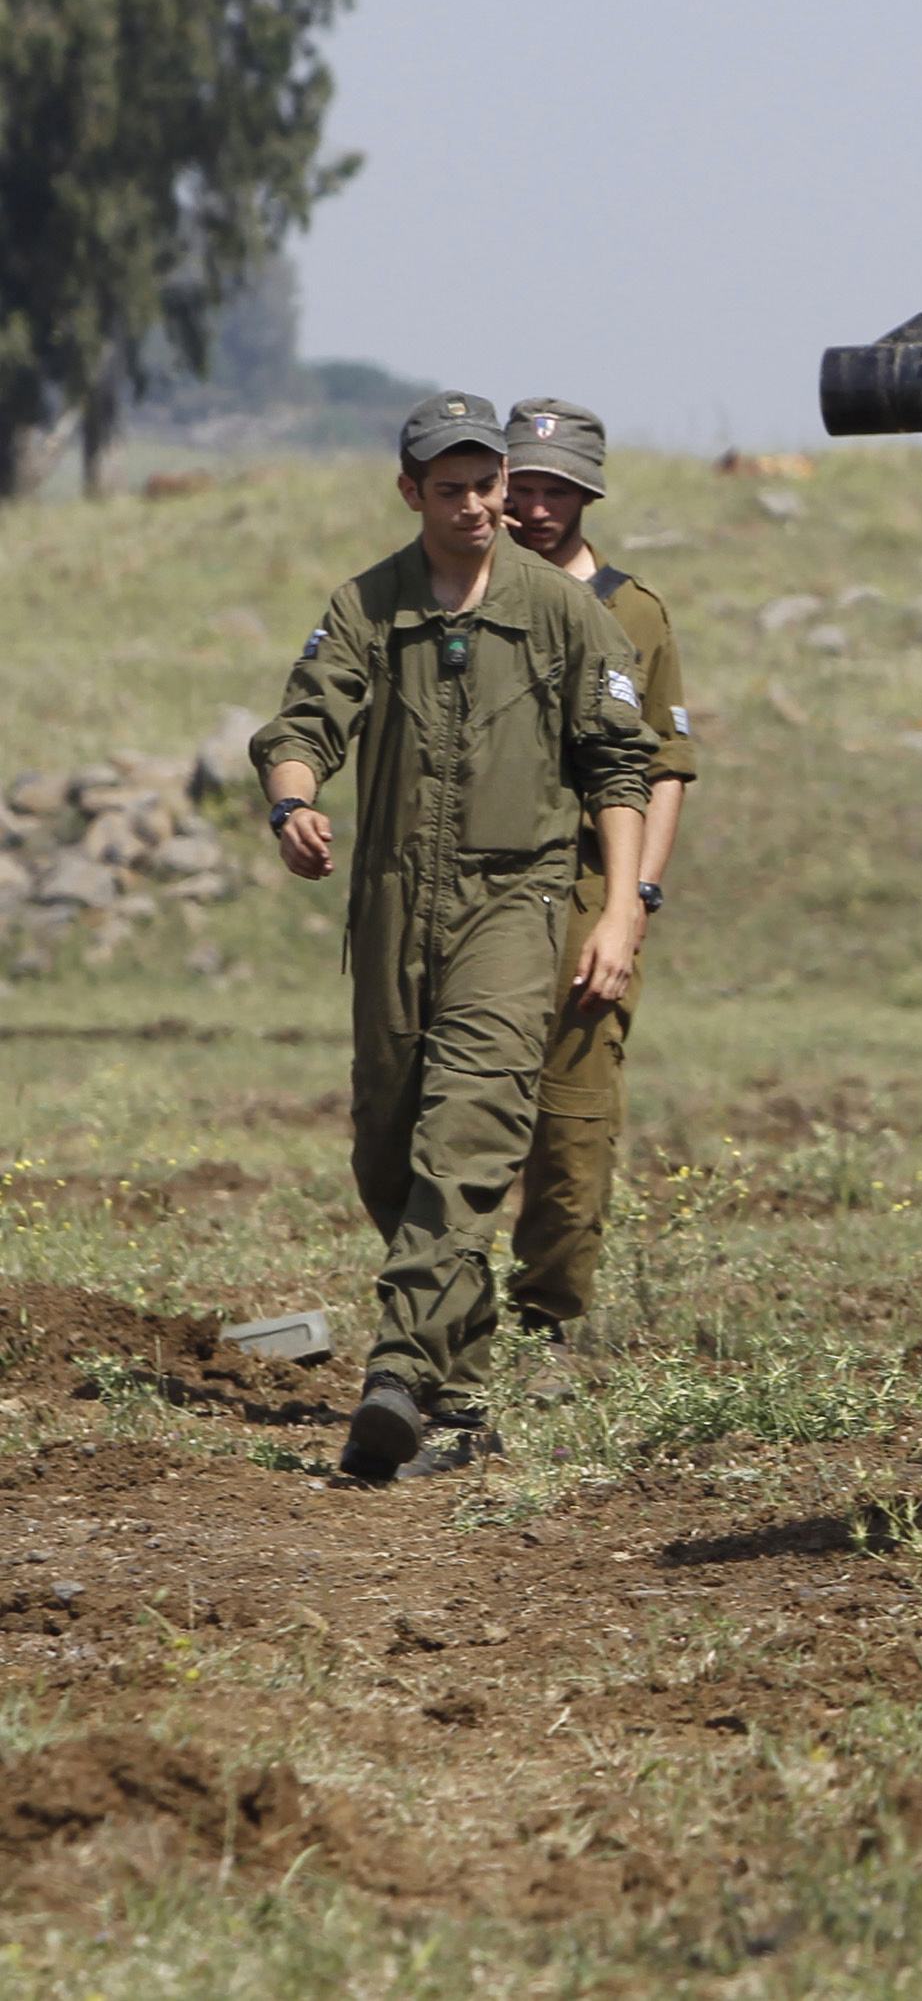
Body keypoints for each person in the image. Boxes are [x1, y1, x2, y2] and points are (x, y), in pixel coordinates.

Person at [251, 393, 656, 1483]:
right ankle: (463, 1397)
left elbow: (623, 766)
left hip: (512, 904)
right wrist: (294, 805)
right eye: (454, 489)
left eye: (489, 484)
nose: (480, 506)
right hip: (390, 905)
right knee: (390, 1153)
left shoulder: (567, 615)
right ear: (412, 493)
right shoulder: (366, 604)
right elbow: (300, 727)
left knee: (467, 1137)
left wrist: (619, 909)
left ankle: (394, 1374)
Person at [474, 397, 693, 1389]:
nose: (536, 507)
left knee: (572, 1122)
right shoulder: (462, 593)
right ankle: (442, 1318)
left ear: (587, 494)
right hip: (479, 886)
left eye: (556, 489)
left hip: (584, 891)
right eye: (521, 486)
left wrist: (632, 901)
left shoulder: (632, 611)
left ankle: (545, 1325)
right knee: (453, 1114)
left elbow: (666, 767)